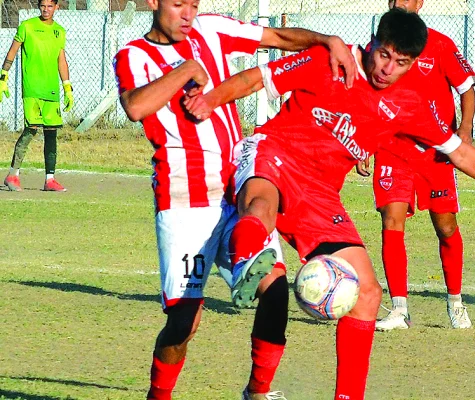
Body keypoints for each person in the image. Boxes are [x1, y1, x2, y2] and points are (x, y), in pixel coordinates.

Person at [184, 8, 475, 399]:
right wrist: (210, 100)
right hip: (274, 154)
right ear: (373, 41)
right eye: (383, 54)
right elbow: (254, 79)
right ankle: (240, 251)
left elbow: (461, 154)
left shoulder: (409, 103)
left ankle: (323, 394)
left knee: (368, 294)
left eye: (401, 62)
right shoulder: (328, 60)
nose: (387, 69)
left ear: (413, 63)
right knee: (260, 209)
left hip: (321, 192)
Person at [112, 0, 357, 398]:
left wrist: (326, 40)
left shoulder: (210, 29)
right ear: (154, 3)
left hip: (236, 190)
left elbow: (276, 38)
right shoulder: (133, 55)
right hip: (184, 200)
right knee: (184, 323)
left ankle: (257, 392)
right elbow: (136, 106)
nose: (188, 14)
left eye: (193, 4)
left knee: (275, 289)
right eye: (178, 5)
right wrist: (187, 71)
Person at [362, 0, 475, 331]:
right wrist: (363, 143)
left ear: (420, 2)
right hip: (391, 149)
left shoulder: (439, 43)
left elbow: (467, 88)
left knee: (445, 228)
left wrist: (465, 129)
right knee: (392, 220)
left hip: (435, 152)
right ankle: (399, 309)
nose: (400, 2)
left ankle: (455, 301)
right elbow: (367, 97)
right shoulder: (377, 46)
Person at [1, 0, 73, 192]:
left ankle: (50, 179)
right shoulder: (27, 26)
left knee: (51, 133)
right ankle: (12, 175)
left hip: (51, 91)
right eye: (43, 6)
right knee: (31, 129)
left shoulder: (59, 31)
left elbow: (61, 59)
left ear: (56, 7)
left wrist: (67, 87)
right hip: (32, 89)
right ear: (38, 7)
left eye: (50, 6)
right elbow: (13, 51)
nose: (46, 9)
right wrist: (3, 76)